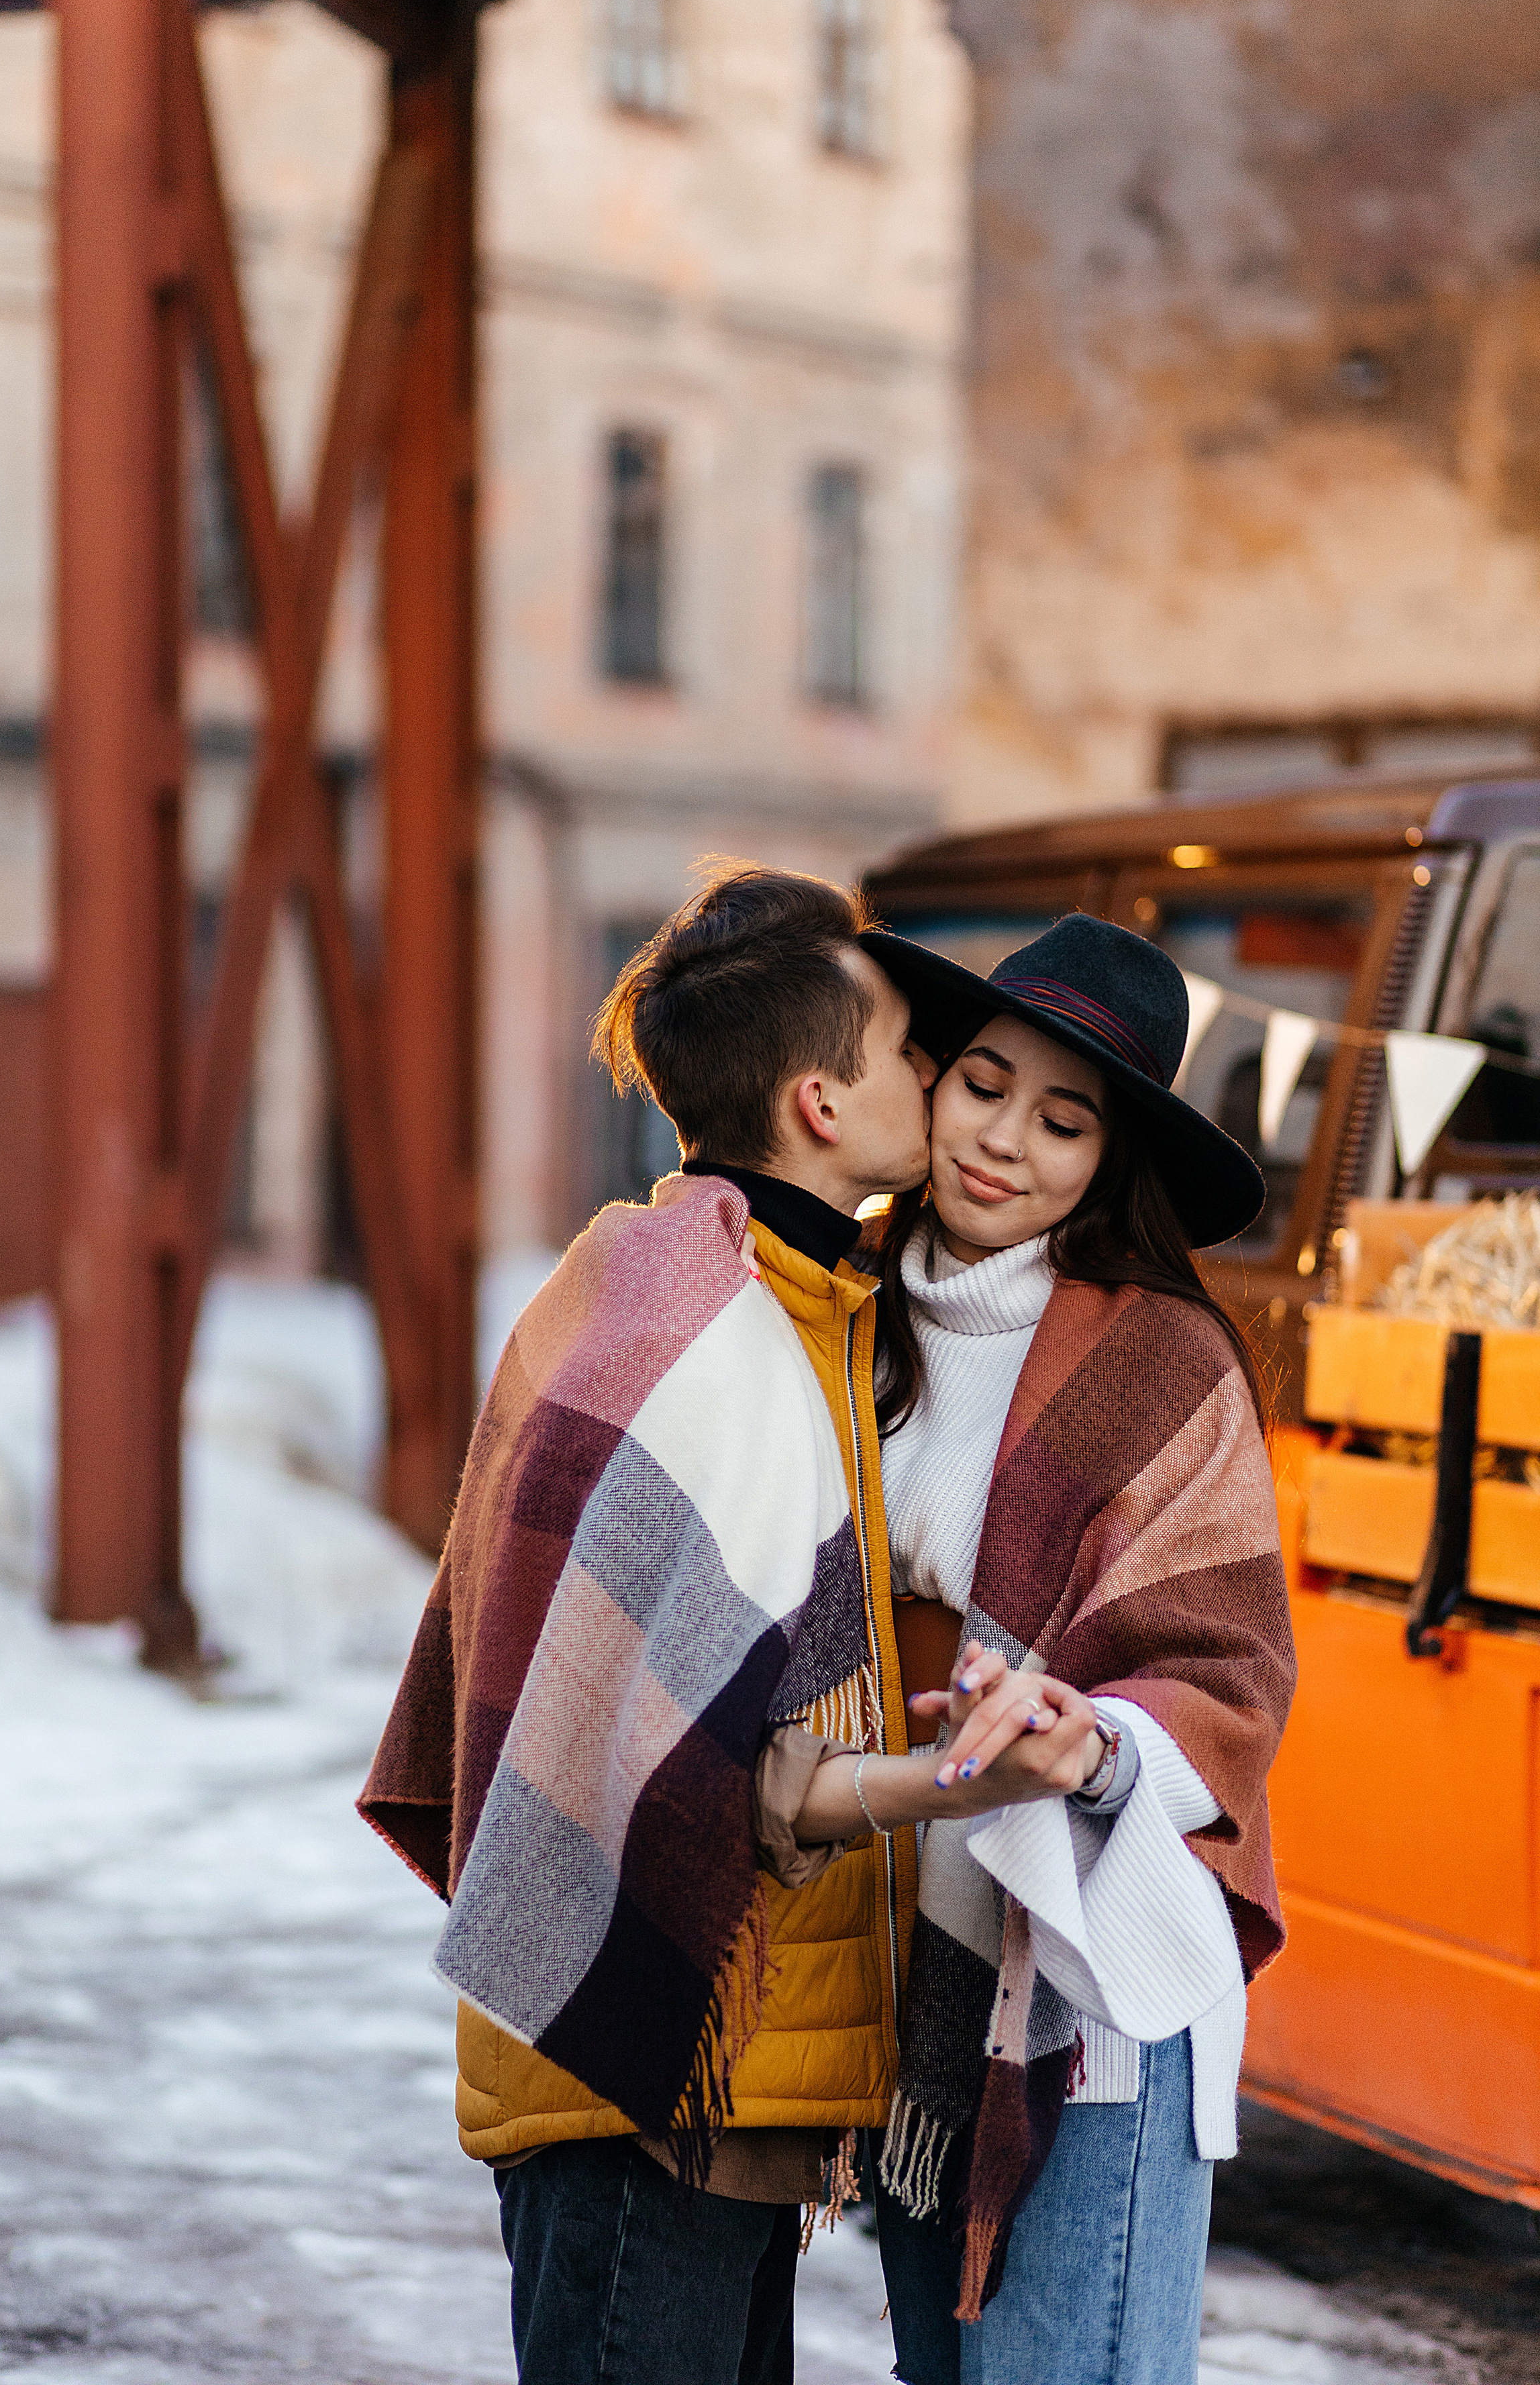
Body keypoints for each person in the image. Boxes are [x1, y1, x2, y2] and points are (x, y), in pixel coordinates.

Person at [358, 864, 1021, 2385]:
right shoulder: (699, 1341)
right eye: (910, 1053)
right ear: (817, 1103)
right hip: (640, 2064)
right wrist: (975, 1772)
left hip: (719, 2068)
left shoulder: (784, 1310)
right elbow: (728, 1769)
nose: (939, 1082)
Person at [822, 913, 1298, 2385]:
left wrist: (1081, 1740)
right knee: (935, 2367)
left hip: (1084, 1954)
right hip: (895, 1944)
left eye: (1062, 1118)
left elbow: (1227, 1671)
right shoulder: (830, 1309)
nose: (1002, 1142)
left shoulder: (1160, 1358)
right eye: (980, 1083)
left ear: (1109, 1161)